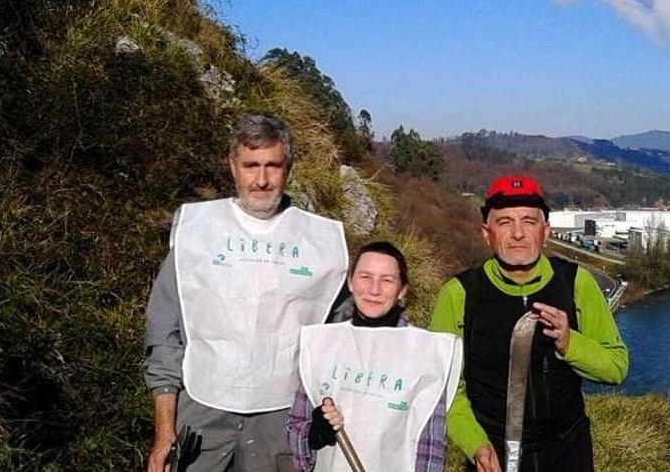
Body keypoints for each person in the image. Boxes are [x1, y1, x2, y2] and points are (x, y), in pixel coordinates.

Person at [144, 114, 348, 472]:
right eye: (251, 165)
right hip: (201, 405)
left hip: (282, 415)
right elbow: (164, 333)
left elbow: (347, 334)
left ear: (289, 167)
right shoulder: (198, 231)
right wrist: (164, 430)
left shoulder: (320, 242)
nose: (262, 179)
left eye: (273, 166)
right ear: (232, 167)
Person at [430, 175, 628, 472]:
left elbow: (616, 367)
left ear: (545, 231)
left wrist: (569, 342)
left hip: (567, 451)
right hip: (492, 455)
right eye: (505, 222)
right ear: (487, 233)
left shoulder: (577, 283)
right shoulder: (459, 295)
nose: (518, 233)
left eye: (529, 221)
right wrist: (475, 444)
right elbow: (444, 388)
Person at [286, 241, 462, 472]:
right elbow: (297, 427)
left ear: (402, 290)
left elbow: (431, 446)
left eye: (387, 280)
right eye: (365, 277)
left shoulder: (427, 353)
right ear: (350, 281)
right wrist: (314, 435)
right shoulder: (320, 343)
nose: (374, 289)